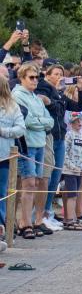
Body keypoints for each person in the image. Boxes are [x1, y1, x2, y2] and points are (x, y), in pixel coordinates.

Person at [36, 64, 82, 231]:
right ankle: (41, 214)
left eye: (61, 74)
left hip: (60, 137)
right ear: (47, 75)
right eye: (56, 74)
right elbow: (52, 108)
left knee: (56, 177)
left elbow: (79, 108)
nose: (59, 76)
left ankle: (48, 211)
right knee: (47, 177)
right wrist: (58, 93)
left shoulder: (60, 93)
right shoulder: (44, 87)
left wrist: (79, 90)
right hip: (49, 136)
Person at [12, 63, 54, 238]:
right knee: (27, 183)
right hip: (26, 144)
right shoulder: (17, 95)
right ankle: (24, 223)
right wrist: (41, 121)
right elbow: (27, 120)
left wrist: (41, 121)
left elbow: (50, 120)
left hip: (39, 143)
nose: (35, 80)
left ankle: (28, 220)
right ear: (22, 78)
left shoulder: (36, 97)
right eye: (31, 77)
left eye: (37, 77)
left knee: (35, 183)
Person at [0, 76, 25, 241]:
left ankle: (2, 229)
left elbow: (20, 129)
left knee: (1, 194)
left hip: (3, 156)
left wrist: (3, 131)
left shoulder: (12, 106)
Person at [62, 112, 82, 230]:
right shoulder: (69, 135)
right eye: (76, 121)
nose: (79, 123)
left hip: (80, 171)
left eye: (80, 121)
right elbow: (64, 153)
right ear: (71, 123)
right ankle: (69, 220)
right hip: (70, 171)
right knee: (71, 195)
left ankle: (72, 218)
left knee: (76, 195)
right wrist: (72, 167)